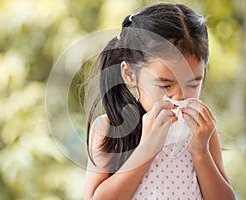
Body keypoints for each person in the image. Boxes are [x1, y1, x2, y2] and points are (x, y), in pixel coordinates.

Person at [84, 2, 235, 200]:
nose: (180, 97)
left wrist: (201, 153)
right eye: (165, 85)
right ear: (130, 75)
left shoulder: (202, 133)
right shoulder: (109, 128)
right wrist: (147, 148)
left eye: (192, 85)